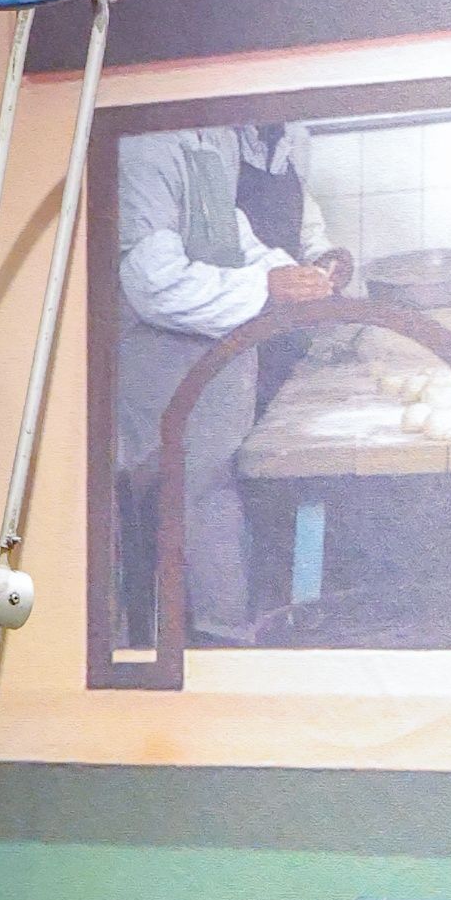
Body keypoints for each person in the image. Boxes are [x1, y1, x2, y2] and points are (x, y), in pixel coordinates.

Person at [111, 116, 349, 642]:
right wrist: (267, 286)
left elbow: (228, 231)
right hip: (161, 368)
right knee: (156, 508)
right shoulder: (145, 148)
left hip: (219, 366)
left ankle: (225, 637)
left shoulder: (213, 137)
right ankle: (172, 646)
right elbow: (153, 283)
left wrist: (288, 271)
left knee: (212, 497)